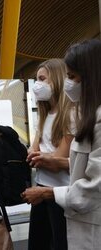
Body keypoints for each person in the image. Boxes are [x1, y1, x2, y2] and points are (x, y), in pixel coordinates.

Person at [22, 39, 101, 250]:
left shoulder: (84, 118)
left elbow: (94, 185)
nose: (70, 83)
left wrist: (49, 191)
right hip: (62, 195)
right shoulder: (84, 116)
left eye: (73, 76)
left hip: (66, 195)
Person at [26, 59, 76, 250]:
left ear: (57, 79)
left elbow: (56, 160)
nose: (38, 84)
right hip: (41, 186)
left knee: (59, 243)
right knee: (38, 243)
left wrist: (40, 156)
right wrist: (38, 156)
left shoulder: (71, 115)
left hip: (60, 193)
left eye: (42, 79)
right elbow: (34, 150)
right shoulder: (44, 114)